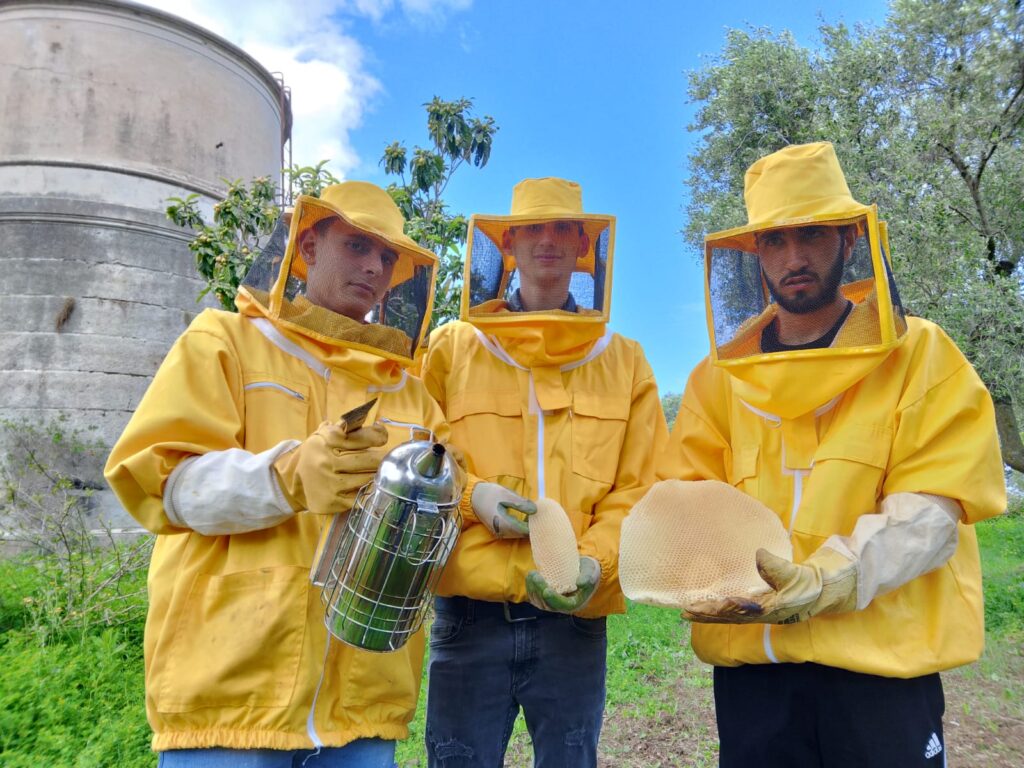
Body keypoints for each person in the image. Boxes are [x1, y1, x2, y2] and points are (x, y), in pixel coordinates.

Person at [658, 142, 1006, 767]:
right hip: (756, 677)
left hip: (882, 674)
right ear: (753, 254)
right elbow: (688, 505)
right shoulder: (717, 380)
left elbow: (931, 512)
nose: (794, 257)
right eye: (775, 240)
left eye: (812, 234)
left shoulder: (920, 355)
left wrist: (835, 575)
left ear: (850, 238)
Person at [104, 181, 450, 768]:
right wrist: (284, 478)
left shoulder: (409, 392)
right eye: (357, 246)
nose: (374, 267)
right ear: (308, 246)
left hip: (364, 700)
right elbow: (161, 483)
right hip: (233, 689)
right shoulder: (225, 341)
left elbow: (435, 514)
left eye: (387, 258)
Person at [419, 177, 668, 767]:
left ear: (585, 244)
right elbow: (418, 453)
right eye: (533, 228)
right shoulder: (454, 347)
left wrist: (595, 563)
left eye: (563, 228)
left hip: (574, 622)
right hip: (469, 616)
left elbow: (640, 487)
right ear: (508, 242)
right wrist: (472, 497)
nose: (548, 240)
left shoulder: (623, 359)